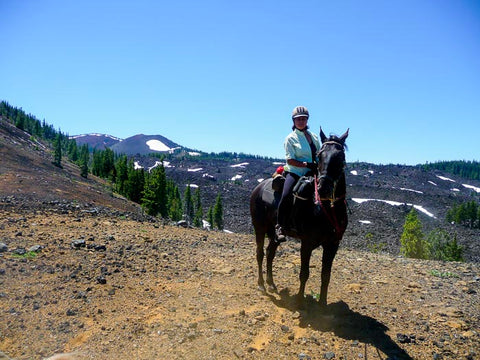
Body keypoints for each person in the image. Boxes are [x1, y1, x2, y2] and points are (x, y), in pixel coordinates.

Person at [275, 106, 320, 243]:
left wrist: (317, 165)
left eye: (303, 119)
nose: (301, 121)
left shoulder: (314, 137)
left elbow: (318, 154)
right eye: (298, 119)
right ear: (293, 121)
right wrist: (306, 164)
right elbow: (290, 160)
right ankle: (280, 226)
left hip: (313, 172)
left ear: (307, 120)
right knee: (286, 194)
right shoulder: (290, 138)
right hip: (295, 172)